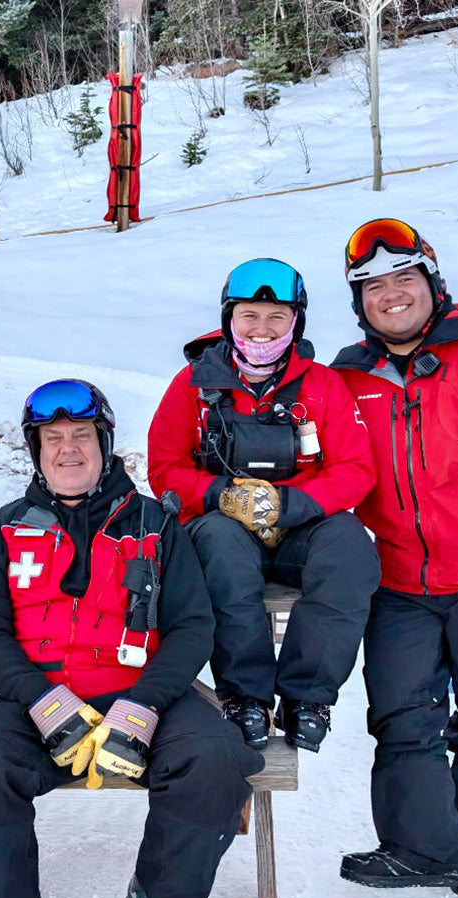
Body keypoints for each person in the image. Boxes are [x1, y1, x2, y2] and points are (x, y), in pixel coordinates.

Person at [0, 379, 262, 898]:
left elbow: (192, 626)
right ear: (36, 450)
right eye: (52, 438)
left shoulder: (155, 524)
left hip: (141, 696)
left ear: (105, 443)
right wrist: (39, 698)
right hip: (37, 700)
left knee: (215, 758)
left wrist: (144, 704)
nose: (68, 449)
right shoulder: (7, 528)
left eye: (82, 436)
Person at [148, 259, 379, 752]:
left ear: (296, 321)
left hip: (301, 528)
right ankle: (245, 696)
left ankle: (307, 696)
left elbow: (356, 470)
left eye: (277, 317)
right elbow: (165, 468)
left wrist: (288, 504)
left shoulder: (322, 385)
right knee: (219, 546)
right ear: (229, 318)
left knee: (350, 547)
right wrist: (221, 496)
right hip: (225, 528)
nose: (262, 328)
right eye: (249, 315)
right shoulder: (193, 386)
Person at [330, 218, 458, 893]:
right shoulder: (346, 378)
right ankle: (426, 850)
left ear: (432, 282)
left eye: (404, 277)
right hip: (398, 582)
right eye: (373, 286)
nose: (391, 294)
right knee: (402, 719)